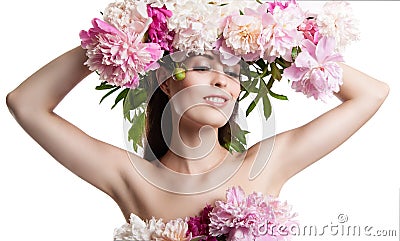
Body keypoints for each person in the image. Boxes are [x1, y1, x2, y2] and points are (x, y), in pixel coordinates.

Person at [5, 0, 390, 240]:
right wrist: (125, 37)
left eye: (235, 73)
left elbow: (372, 94)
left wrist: (277, 32)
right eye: (204, 67)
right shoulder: (129, 176)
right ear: (167, 82)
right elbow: (26, 103)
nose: (224, 79)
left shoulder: (265, 164)